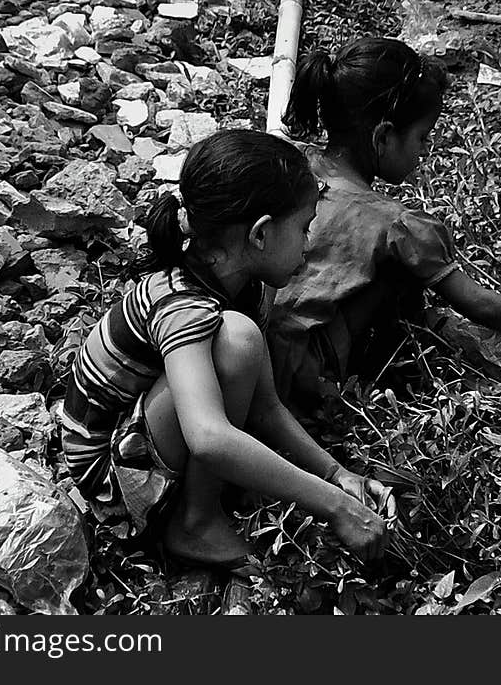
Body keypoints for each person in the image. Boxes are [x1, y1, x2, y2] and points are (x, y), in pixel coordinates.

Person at [57, 129, 395, 576]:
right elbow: (209, 437)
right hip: (108, 481)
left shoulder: (246, 286)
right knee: (238, 339)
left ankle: (201, 504)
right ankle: (194, 523)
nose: (309, 243)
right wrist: (334, 507)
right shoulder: (181, 305)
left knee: (240, 340)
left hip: (141, 437)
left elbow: (265, 406)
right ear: (260, 235)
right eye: (303, 227)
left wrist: (336, 475)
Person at [267, 37, 501, 404]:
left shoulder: (290, 165)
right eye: (422, 138)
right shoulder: (394, 224)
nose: (423, 153)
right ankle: (392, 375)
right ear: (383, 136)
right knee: (401, 272)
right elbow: (479, 303)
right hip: (305, 379)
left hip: (260, 349)